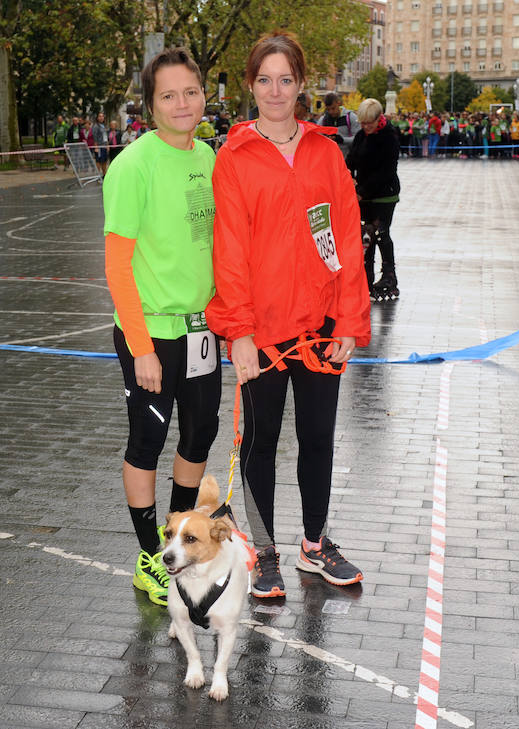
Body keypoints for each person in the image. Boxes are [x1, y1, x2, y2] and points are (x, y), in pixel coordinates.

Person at [206, 31, 369, 599]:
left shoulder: (326, 152)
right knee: (262, 441)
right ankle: (266, 550)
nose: (276, 90)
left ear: (301, 84)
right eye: (265, 79)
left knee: (319, 438)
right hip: (263, 333)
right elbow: (228, 253)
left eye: (287, 79)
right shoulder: (234, 159)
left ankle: (315, 544)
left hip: (322, 326)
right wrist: (241, 332)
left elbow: (346, 239)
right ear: (251, 85)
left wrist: (350, 320)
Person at [103, 47, 220, 607]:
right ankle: (150, 557)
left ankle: (181, 539)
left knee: (199, 436)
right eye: (168, 94)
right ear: (150, 104)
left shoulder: (211, 159)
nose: (182, 103)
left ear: (204, 95)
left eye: (190, 92)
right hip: (151, 333)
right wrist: (141, 346)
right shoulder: (133, 164)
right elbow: (117, 265)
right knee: (147, 441)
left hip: (203, 331)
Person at [346, 98, 401, 302]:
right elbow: (351, 160)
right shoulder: (362, 136)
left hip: (385, 194)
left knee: (380, 233)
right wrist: (348, 174)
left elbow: (386, 172)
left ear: (379, 118)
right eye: (362, 123)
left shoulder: (389, 137)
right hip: (364, 195)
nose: (366, 127)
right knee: (364, 236)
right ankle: (365, 277)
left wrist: (363, 190)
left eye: (369, 122)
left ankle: (389, 276)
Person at [317, 92, 358, 157]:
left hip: (347, 162)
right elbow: (317, 142)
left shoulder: (351, 117)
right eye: (328, 109)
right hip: (329, 161)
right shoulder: (322, 121)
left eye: (333, 108)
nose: (331, 112)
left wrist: (342, 140)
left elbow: (358, 139)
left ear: (338, 103)